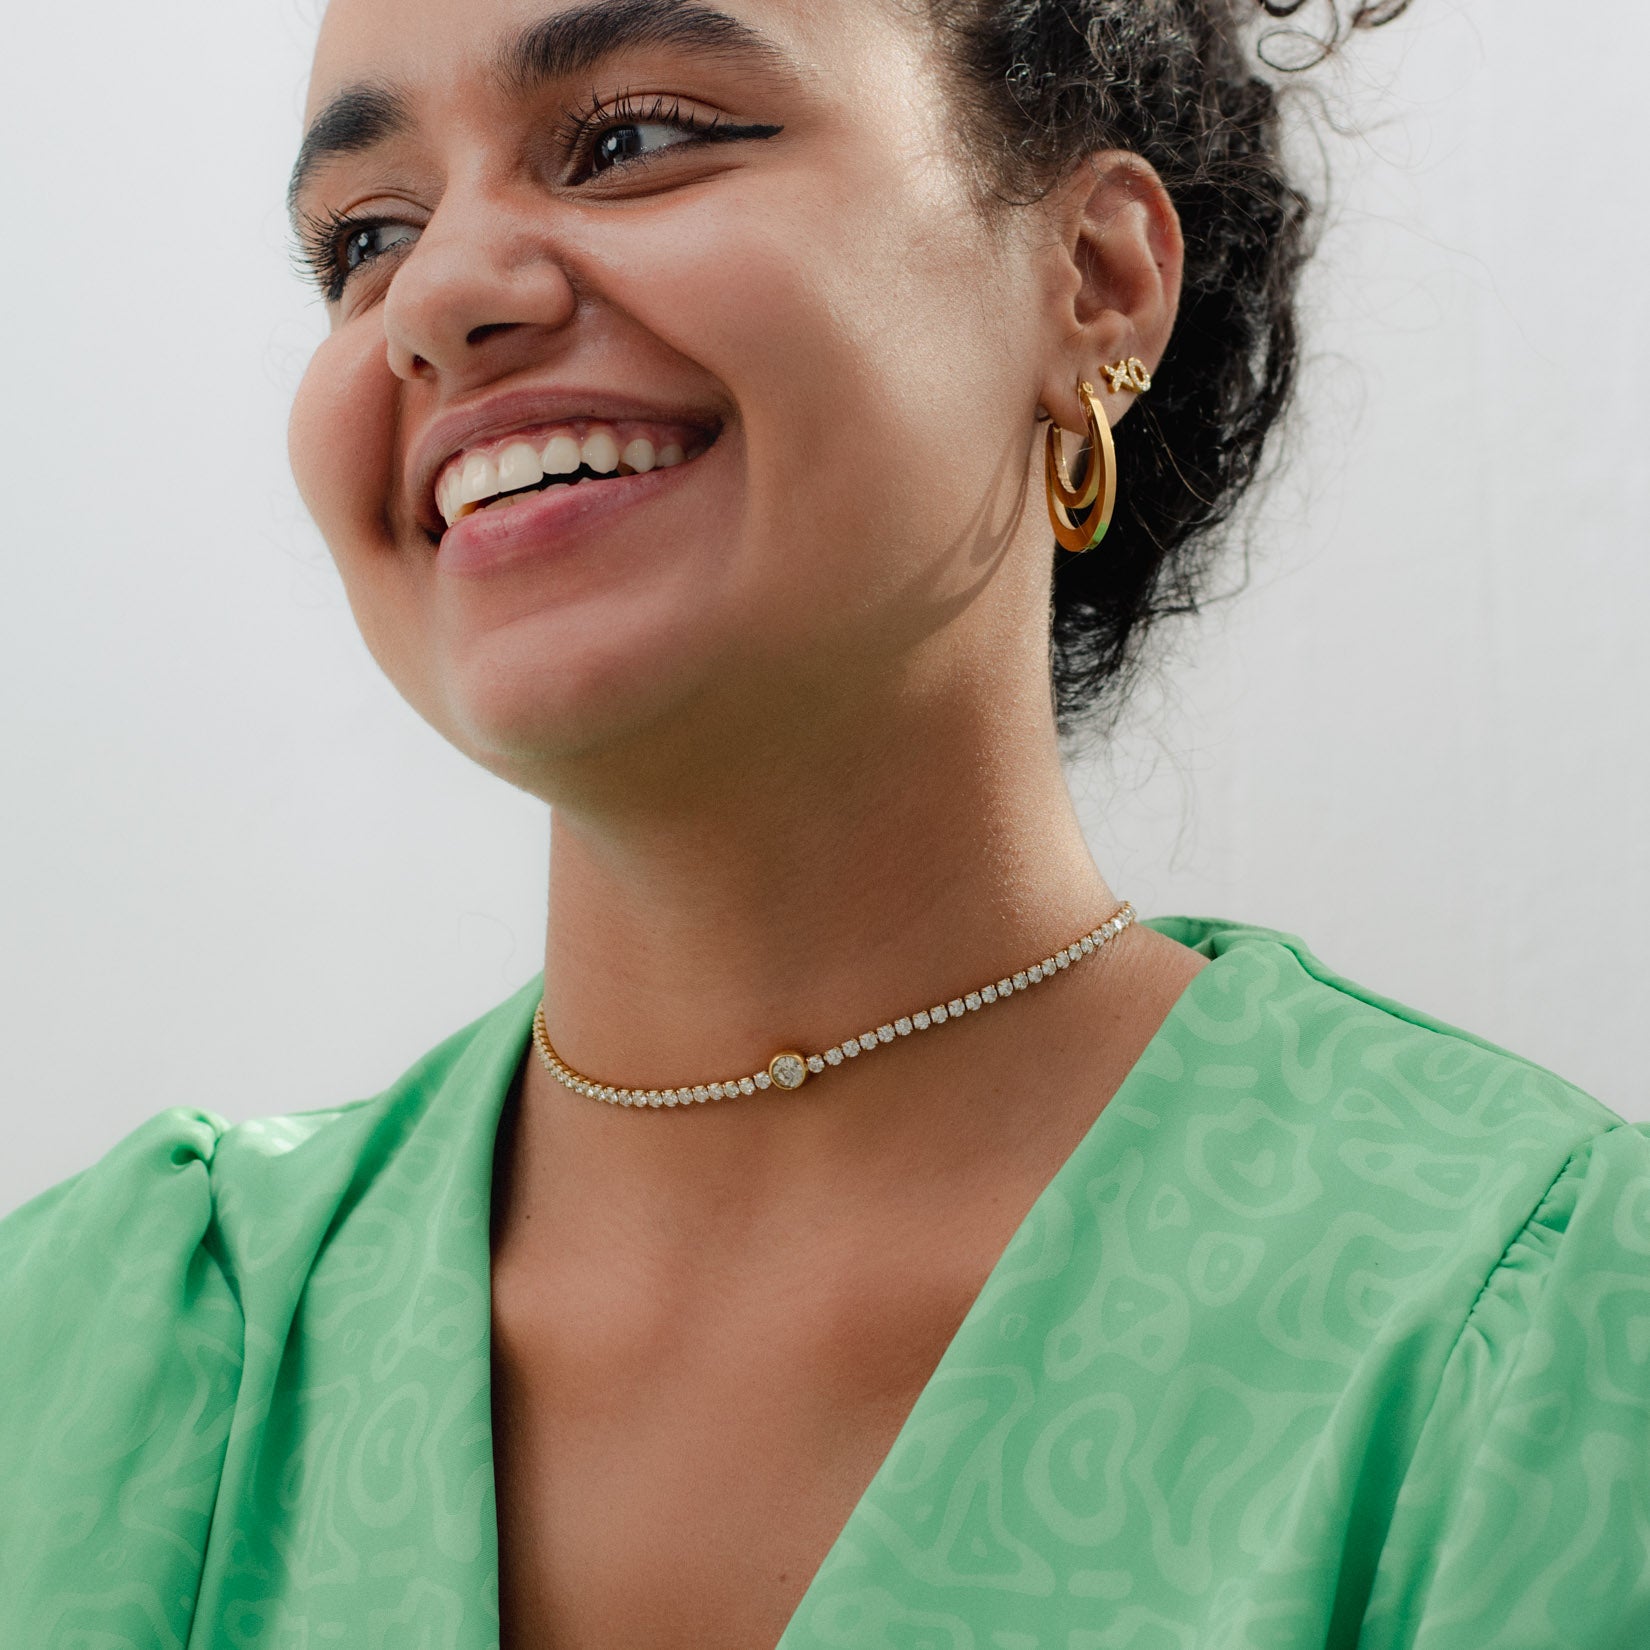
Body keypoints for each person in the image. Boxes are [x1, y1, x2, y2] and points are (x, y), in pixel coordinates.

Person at [3, 0, 1646, 1645]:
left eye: (633, 139)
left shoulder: (1537, 1329)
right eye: (366, 238)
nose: (435, 297)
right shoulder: (95, 1352)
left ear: (1092, 281)